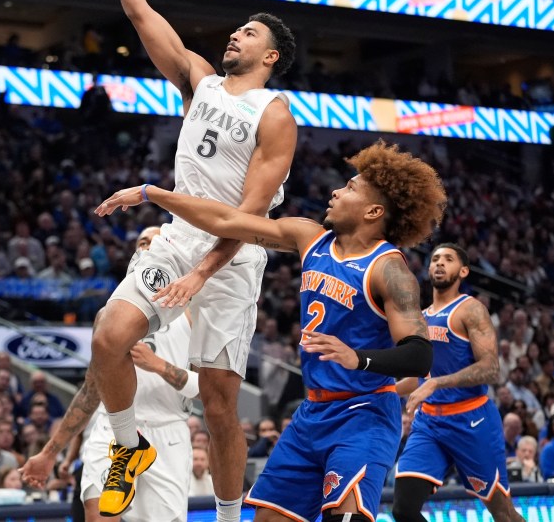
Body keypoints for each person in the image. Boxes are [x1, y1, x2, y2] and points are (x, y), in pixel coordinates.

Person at [86, 0, 299, 522]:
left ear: (271, 58)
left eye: (250, 32)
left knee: (219, 405)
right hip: (178, 235)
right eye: (237, 28)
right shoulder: (199, 81)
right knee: (108, 337)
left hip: (232, 260)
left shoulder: (275, 116)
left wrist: (202, 273)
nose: (236, 32)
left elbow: (248, 220)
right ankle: (130, 447)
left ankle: (229, 516)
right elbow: (140, 12)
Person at [96, 140, 443, 522]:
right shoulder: (309, 237)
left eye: (350, 188)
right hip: (312, 414)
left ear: (374, 211)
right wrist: (155, 194)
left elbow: (420, 355)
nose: (335, 191)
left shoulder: (389, 270)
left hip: (363, 416)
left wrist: (357, 358)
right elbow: (227, 222)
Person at [23, 227, 202, 522]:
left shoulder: (192, 312)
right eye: (142, 242)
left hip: (167, 431)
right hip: (112, 430)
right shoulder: (107, 317)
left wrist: (157, 365)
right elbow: (91, 392)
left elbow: (205, 389)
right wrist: (49, 452)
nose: (148, 245)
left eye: (156, 240)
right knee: (99, 515)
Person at [393, 244, 525, 522]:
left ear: (463, 271)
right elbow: (423, 376)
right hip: (430, 423)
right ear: (428, 269)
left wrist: (435, 384)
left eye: (448, 259)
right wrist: (385, 390)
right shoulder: (421, 318)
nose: (440, 264)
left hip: (472, 420)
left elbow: (491, 369)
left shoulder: (470, 309)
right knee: (403, 509)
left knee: (503, 514)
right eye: (435, 259)